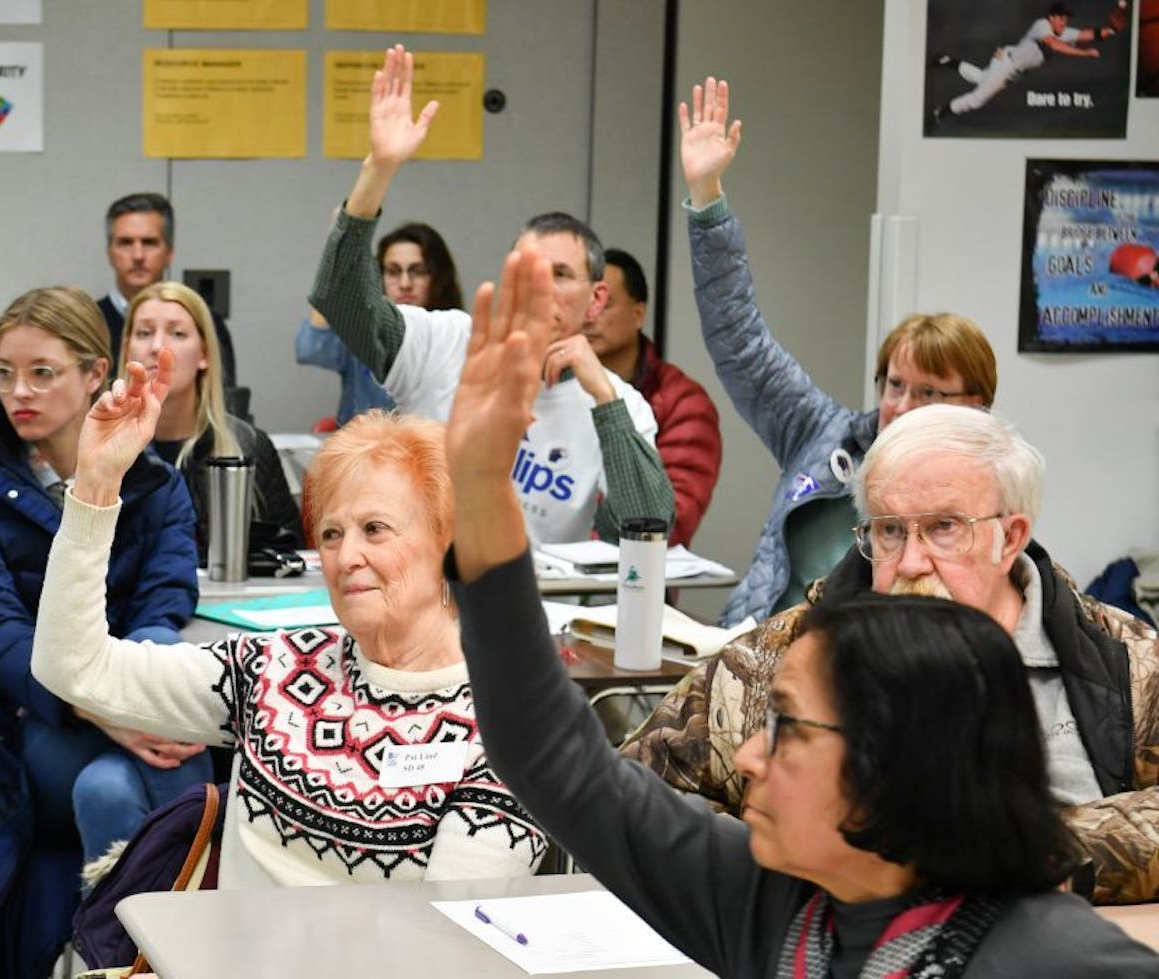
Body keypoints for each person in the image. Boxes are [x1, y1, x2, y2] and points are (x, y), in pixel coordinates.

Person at [440, 246, 1159, 976]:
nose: (750, 754)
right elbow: (562, 762)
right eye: (887, 529)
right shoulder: (775, 907)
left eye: (788, 729)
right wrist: (477, 486)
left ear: (895, 760)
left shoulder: (1045, 950)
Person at [622, 403, 1159, 905]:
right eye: (890, 531)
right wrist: (797, 863)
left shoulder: (1120, 657)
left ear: (1010, 537)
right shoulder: (783, 656)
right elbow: (634, 794)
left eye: (944, 528)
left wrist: (1024, 856)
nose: (910, 562)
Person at [30, 370, 546, 888]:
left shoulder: (509, 733)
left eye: (375, 530)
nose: (346, 557)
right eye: (330, 534)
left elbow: (446, 945)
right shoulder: (277, 670)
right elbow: (74, 666)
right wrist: (96, 484)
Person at [0, 286, 208, 974]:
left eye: (43, 372)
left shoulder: (152, 480)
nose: (19, 390)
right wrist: (104, 703)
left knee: (110, 787)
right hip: (29, 718)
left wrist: (128, 692)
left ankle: (122, 963)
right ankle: (190, 947)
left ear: (94, 373)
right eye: (4, 372)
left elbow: (166, 596)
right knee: (173, 755)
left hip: (123, 703)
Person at [309, 45, 672, 544]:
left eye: (561, 274)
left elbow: (643, 532)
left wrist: (603, 398)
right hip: (420, 591)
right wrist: (380, 168)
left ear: (596, 299)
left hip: (531, 610)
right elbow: (341, 298)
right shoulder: (447, 341)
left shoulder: (620, 404)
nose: (541, 287)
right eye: (527, 271)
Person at [678, 77, 998, 626]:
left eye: (928, 392)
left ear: (975, 405)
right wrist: (708, 200)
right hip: (750, 655)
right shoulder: (823, 436)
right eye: (895, 385)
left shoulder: (987, 497)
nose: (902, 405)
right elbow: (739, 338)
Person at [124, 280, 302, 556]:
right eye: (144, 333)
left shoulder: (248, 445)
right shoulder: (105, 448)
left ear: (204, 354)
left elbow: (287, 550)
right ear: (127, 350)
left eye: (177, 334)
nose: (157, 346)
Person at [589, 247, 721, 546]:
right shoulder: (553, 383)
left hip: (634, 579)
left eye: (603, 304)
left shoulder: (682, 402)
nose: (589, 316)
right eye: (584, 303)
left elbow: (669, 522)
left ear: (638, 314)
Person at [296, 221, 464, 428]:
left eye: (418, 271)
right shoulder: (365, 331)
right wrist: (337, 262)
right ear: (378, 278)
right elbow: (311, 349)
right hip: (361, 453)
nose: (404, 284)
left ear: (438, 277)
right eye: (393, 271)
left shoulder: (457, 336)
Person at [99, 191, 235, 383]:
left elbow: (223, 400)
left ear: (169, 253)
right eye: (125, 243)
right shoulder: (88, 323)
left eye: (149, 242)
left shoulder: (204, 320)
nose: (138, 255)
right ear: (109, 253)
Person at [930, 2, 1119, 129]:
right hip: (1006, 64)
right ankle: (939, 113)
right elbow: (1053, 44)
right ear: (1051, 17)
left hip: (1010, 65)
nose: (1065, 21)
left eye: (1066, 18)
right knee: (978, 99)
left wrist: (1111, 29)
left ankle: (946, 60)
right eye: (1061, 17)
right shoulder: (1042, 25)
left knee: (980, 77)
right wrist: (1084, 53)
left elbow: (1090, 34)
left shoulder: (1063, 31)